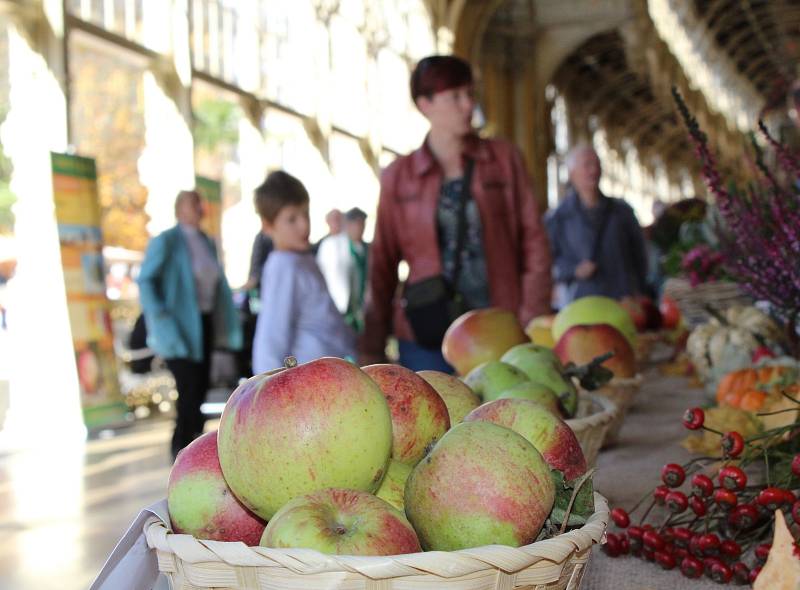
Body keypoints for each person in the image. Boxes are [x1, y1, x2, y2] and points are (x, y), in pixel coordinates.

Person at [360, 55, 552, 372]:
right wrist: (372, 344)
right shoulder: (399, 176)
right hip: (427, 333)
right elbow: (382, 262)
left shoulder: (503, 159)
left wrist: (531, 315)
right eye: (455, 97)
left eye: (470, 94)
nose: (468, 105)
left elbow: (534, 241)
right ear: (425, 104)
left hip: (498, 327)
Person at [138, 190, 242, 458]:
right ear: (180, 209)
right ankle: (182, 449)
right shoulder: (168, 241)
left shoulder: (206, 241)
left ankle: (194, 448)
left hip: (203, 323)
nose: (200, 209)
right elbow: (146, 279)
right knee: (188, 389)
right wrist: (159, 313)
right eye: (194, 204)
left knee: (200, 387)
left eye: (200, 204)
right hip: (177, 327)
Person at [252, 171, 355, 374]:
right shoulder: (283, 265)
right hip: (308, 384)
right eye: (291, 219)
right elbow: (271, 338)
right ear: (268, 225)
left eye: (306, 214)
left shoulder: (303, 260)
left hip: (328, 375)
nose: (304, 225)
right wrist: (267, 392)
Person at [546, 144, 648, 303]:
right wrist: (573, 270)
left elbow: (639, 255)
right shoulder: (558, 217)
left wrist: (640, 289)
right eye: (587, 165)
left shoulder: (622, 212)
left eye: (597, 164)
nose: (594, 170)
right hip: (580, 302)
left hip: (622, 300)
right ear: (572, 174)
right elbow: (547, 260)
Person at [316, 207, 369, 332]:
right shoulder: (329, 245)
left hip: (360, 305)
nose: (359, 229)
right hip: (339, 306)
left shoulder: (362, 247)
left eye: (362, 225)